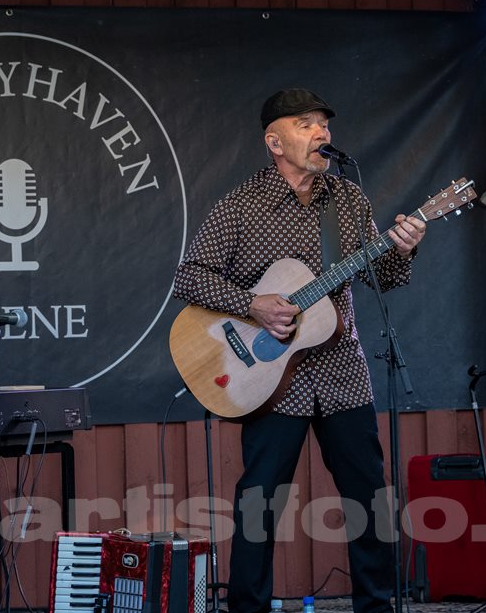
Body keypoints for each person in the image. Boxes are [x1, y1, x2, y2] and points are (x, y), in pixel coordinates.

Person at [172, 88, 426, 613]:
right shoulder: (242, 205)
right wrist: (252, 304)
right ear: (275, 142)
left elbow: (381, 278)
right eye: (306, 124)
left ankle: (376, 607)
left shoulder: (348, 198)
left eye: (324, 124)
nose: (321, 133)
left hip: (341, 370)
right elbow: (189, 277)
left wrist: (404, 249)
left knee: (368, 498)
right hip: (268, 376)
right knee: (259, 503)